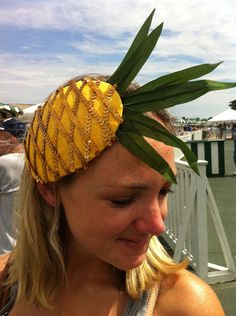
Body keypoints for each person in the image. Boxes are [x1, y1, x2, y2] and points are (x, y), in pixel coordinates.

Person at [1, 9, 235, 315]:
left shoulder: (183, 305)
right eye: (123, 199)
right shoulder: (6, 284)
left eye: (164, 192)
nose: (157, 224)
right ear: (50, 190)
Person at [0, 131, 25, 254]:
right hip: (26, 246)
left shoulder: (4, 162)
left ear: (13, 140)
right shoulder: (30, 159)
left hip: (7, 250)